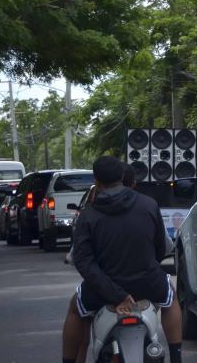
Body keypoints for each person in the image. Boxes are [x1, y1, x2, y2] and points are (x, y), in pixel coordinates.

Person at [61, 156, 183, 363]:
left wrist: (116, 294)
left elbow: (84, 262)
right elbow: (160, 249)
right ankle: (177, 358)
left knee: (75, 309)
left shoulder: (88, 215)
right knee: (170, 297)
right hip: (148, 285)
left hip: (103, 291)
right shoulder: (149, 205)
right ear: (123, 178)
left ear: (97, 182)